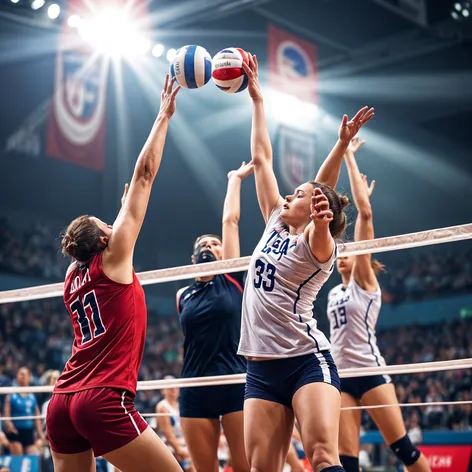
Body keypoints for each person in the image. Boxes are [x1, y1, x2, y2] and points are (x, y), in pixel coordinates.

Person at [238, 53, 374, 472]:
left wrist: (320, 216)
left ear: (316, 211)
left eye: (297, 194)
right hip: (260, 366)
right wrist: (258, 100)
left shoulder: (318, 245)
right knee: (263, 467)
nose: (289, 196)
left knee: (320, 456)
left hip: (304, 360)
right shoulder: (276, 223)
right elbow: (263, 157)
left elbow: (321, 213)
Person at [45, 75, 183, 472]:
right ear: (106, 238)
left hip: (62, 401)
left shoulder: (73, 276)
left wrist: (120, 216)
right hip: (101, 398)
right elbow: (144, 175)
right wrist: (163, 116)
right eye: (109, 222)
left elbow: (86, 239)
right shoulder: (114, 258)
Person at [327, 137, 431, 472]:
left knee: (404, 451)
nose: (340, 254)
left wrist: (348, 156)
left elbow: (365, 215)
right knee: (347, 460)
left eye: (347, 251)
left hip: (371, 373)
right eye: (337, 251)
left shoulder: (364, 281)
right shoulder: (331, 294)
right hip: (342, 377)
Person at [176, 161, 254, 472]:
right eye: (203, 245)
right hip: (195, 386)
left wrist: (234, 180)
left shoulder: (233, 277)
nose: (210, 246)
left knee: (246, 467)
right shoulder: (182, 296)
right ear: (193, 259)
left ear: (223, 253)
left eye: (215, 243)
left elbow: (230, 221)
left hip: (235, 381)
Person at [3, 367, 45, 455]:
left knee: (34, 455)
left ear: (29, 377)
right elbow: (6, 414)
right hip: (15, 432)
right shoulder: (11, 394)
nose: (23, 376)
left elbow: (36, 417)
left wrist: (41, 436)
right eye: (21, 374)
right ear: (16, 376)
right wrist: (9, 426)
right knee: (18, 456)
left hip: (29, 432)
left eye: (25, 374)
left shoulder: (32, 396)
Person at [156, 376, 195, 472]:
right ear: (163, 390)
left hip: (185, 444)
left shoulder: (181, 406)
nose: (173, 390)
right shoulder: (162, 407)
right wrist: (180, 449)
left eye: (176, 387)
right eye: (170, 387)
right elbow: (169, 436)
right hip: (170, 447)